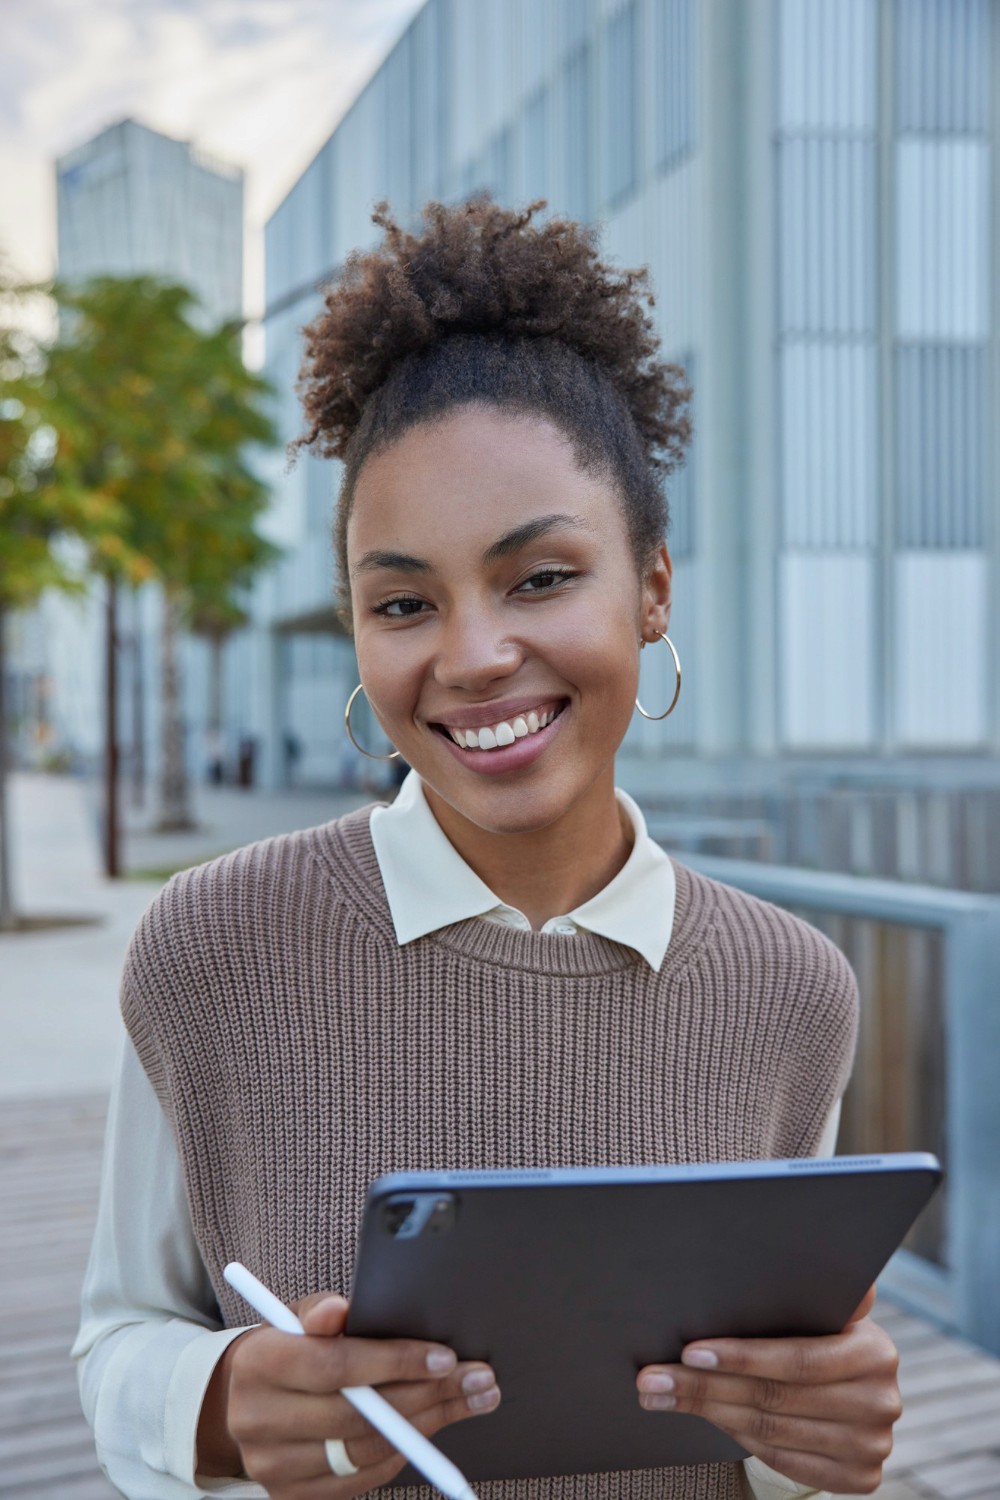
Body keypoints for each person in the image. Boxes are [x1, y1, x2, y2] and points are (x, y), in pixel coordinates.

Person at [73, 199, 901, 1500]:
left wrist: (819, 1441)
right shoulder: (208, 949)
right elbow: (120, 1334)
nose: (469, 657)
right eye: (404, 602)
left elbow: (772, 1398)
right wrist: (224, 1405)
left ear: (653, 590)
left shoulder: (795, 992)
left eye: (540, 578)